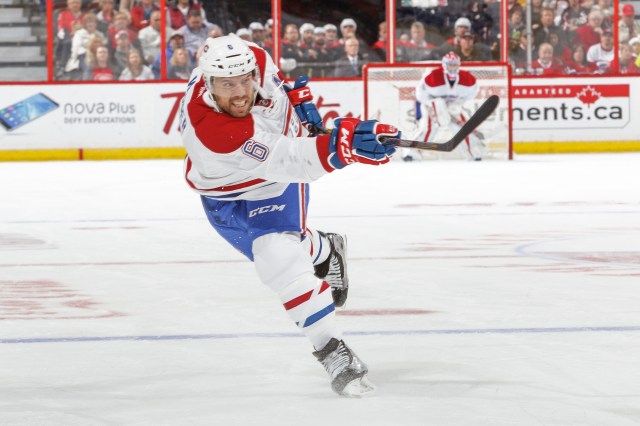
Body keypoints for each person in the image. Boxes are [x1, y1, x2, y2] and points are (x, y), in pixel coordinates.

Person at [178, 34, 399, 397]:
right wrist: (344, 146)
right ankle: (325, 249)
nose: (239, 92)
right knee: (287, 249)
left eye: (244, 80)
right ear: (207, 83)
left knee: (277, 259)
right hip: (221, 193)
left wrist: (303, 111)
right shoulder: (214, 130)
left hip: (272, 184)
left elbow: (284, 146)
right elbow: (293, 158)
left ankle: (334, 352)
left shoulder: (257, 60)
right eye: (227, 85)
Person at [405, 52, 485, 162]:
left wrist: (458, 103)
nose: (452, 67)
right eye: (450, 64)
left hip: (453, 106)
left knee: (462, 128)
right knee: (429, 128)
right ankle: (412, 153)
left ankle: (472, 153)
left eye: (455, 64)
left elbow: (472, 93)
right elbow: (421, 94)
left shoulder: (467, 79)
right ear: (444, 65)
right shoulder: (432, 77)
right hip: (432, 106)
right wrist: (434, 104)